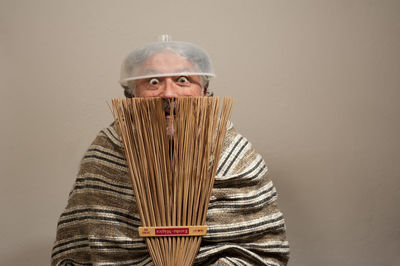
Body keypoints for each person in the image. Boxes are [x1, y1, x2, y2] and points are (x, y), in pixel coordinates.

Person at [52, 38, 290, 266]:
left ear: (204, 92)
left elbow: (262, 251)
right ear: (132, 95)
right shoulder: (106, 152)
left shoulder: (236, 155)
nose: (168, 93)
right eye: (153, 81)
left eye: (183, 80)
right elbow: (78, 250)